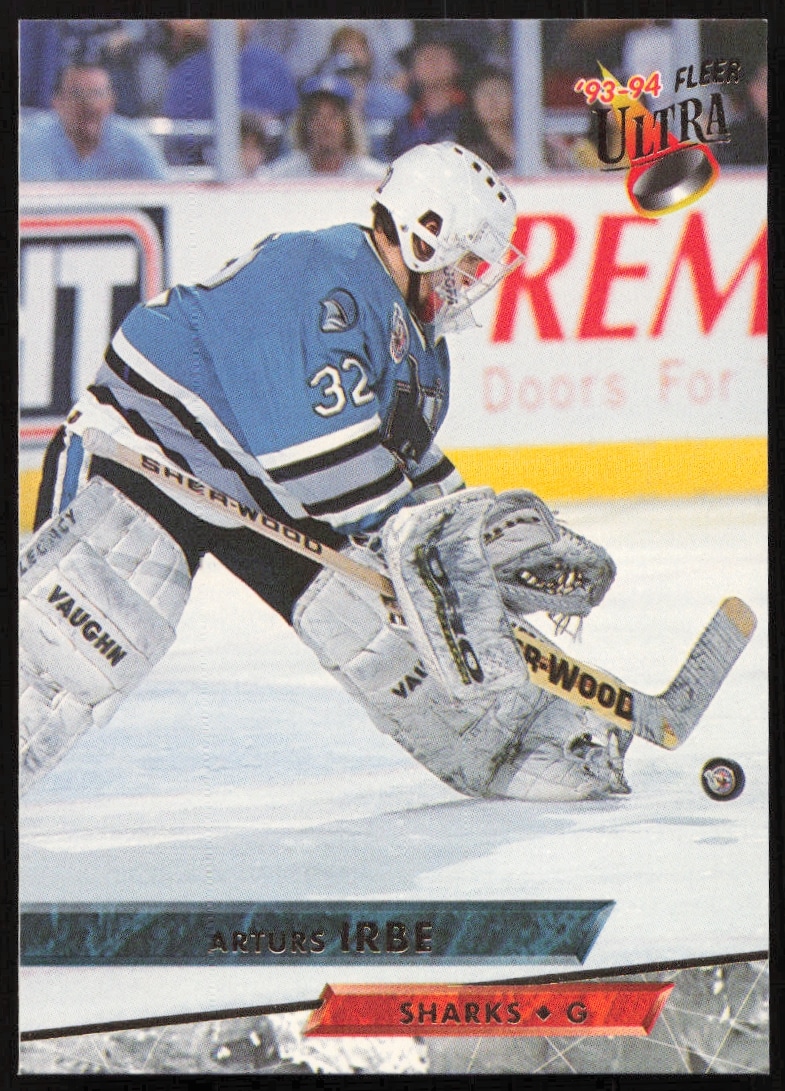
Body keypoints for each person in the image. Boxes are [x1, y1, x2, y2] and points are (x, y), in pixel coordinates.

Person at [20, 141, 628, 805]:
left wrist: (476, 537)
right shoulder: (320, 274)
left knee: (381, 632)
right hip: (154, 450)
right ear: (425, 231)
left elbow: (402, 470)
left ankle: (522, 740)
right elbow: (325, 468)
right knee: (73, 645)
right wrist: (446, 553)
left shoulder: (423, 351)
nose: (471, 277)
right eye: (467, 258)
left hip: (267, 493)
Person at [20, 61, 169, 182]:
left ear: (112, 101)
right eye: (77, 94)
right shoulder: (32, 141)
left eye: (97, 94)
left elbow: (165, 197)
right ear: (57, 102)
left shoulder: (135, 143)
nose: (88, 103)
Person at [312, 25, 411, 160]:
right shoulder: (322, 104)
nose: (351, 56)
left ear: (369, 54)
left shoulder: (394, 102)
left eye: (356, 49)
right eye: (344, 51)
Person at [260, 76, 386, 180]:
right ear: (305, 124)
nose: (325, 124)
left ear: (347, 124)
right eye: (316, 115)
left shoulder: (373, 178)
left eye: (333, 115)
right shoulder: (280, 178)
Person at [386, 40, 468, 159]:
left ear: (456, 66)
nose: (432, 62)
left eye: (440, 55)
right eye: (424, 58)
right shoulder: (406, 125)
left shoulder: (474, 111)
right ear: (412, 71)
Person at [456, 66, 516, 173]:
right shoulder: (463, 151)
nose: (492, 100)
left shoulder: (535, 143)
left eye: (499, 92)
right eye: (483, 92)